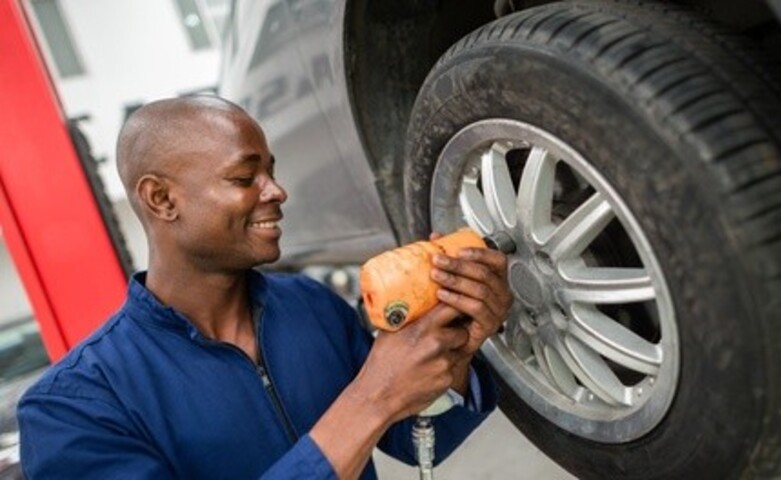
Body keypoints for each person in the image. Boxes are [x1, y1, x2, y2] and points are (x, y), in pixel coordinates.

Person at [17, 96, 513, 479]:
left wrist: (454, 353)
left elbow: (418, 439)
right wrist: (370, 399)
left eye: (270, 170)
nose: (276, 191)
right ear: (162, 199)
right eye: (244, 176)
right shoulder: (73, 406)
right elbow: (372, 407)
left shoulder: (313, 307)